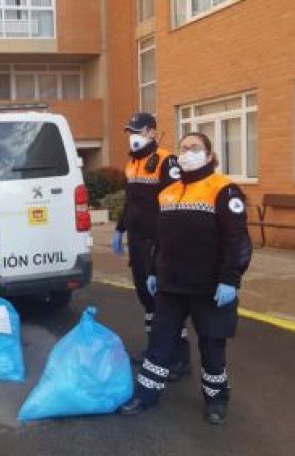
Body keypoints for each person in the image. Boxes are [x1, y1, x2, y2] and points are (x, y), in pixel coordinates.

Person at [119, 131, 253, 424]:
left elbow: (238, 240)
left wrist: (230, 279)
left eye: (195, 148)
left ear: (208, 156)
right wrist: (154, 271)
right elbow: (162, 240)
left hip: (209, 287)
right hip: (171, 285)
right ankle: (146, 394)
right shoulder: (168, 193)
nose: (187, 152)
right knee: (160, 341)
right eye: (183, 148)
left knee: (212, 346)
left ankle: (216, 399)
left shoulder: (223, 190)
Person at [112, 112, 191, 379]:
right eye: (132, 131)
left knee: (164, 300)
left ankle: (178, 358)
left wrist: (168, 241)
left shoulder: (166, 162)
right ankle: (155, 350)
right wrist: (119, 228)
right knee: (147, 298)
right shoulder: (132, 164)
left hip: (158, 242)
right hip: (137, 241)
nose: (135, 136)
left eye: (140, 130)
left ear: (153, 133)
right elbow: (131, 202)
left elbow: (177, 201)